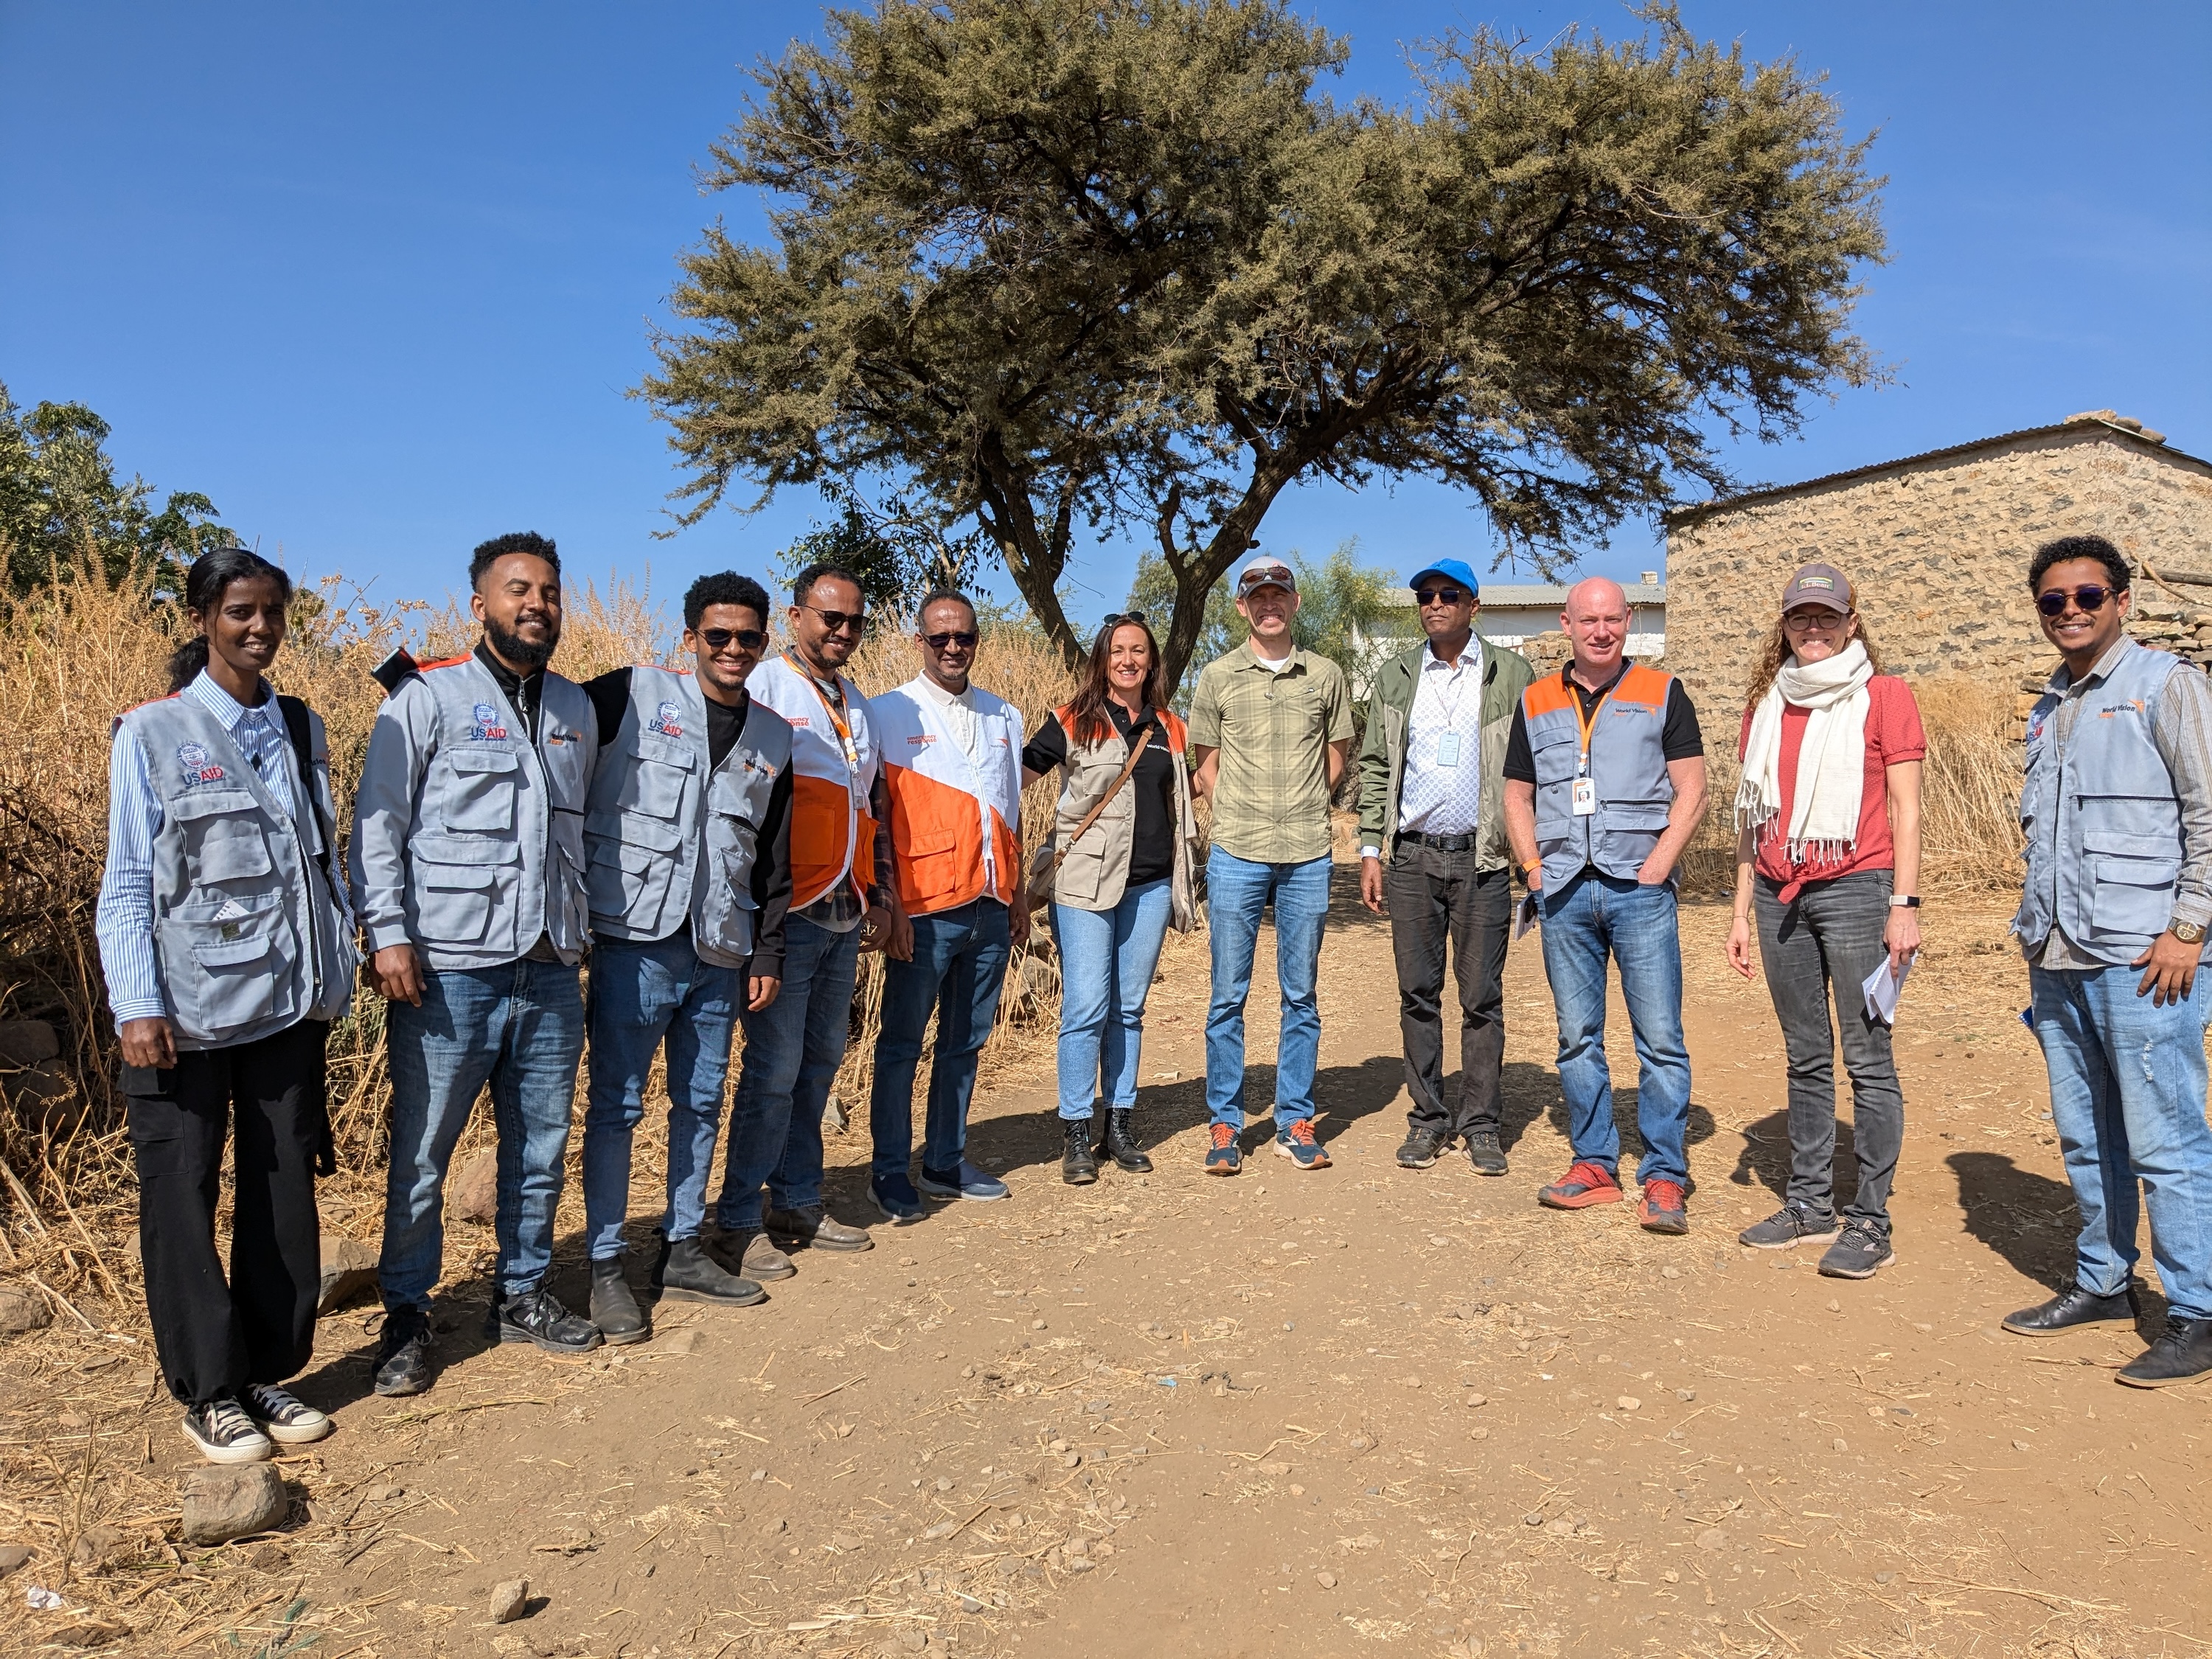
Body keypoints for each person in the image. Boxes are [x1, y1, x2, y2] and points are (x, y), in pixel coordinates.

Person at [95, 547, 356, 1462]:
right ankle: (208, 1389)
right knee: (182, 1195)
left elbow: (319, 864)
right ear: (205, 617)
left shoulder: (298, 724)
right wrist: (136, 1004)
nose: (259, 629)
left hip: (283, 1004)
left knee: (282, 1188)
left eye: (273, 613)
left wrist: (336, 971)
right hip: (183, 1015)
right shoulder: (154, 733)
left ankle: (265, 1372)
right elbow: (128, 883)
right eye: (241, 611)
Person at [352, 532, 600, 1395]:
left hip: (548, 965)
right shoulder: (424, 699)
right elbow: (378, 826)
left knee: (540, 1147)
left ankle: (523, 1291)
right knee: (423, 1152)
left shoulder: (575, 710)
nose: (537, 606)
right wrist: (387, 936)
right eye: (518, 591)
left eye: (550, 594)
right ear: (479, 606)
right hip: (449, 968)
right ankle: (408, 1315)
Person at [2004, 534, 2212, 1388]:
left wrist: (2190, 928)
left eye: (2087, 596)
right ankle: (2102, 1281)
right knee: (2089, 1136)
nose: (2071, 612)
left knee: (2165, 1141)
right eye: (2054, 601)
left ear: (2122, 600)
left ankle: (2198, 1312)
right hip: (2058, 953)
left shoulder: (2167, 685)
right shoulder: (2050, 704)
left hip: (2144, 957)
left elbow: (2209, 814)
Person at [575, 573, 795, 1340]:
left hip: (722, 947)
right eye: (718, 636)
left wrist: (765, 950)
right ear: (690, 639)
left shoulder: (774, 735)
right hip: (634, 939)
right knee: (617, 1107)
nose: (732, 649)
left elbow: (772, 856)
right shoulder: (626, 696)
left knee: (701, 1101)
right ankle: (604, 1266)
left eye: (747, 639)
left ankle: (681, 1249)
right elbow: (541, 728)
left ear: (764, 645)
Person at [1724, 564, 1924, 1279]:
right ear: (1783, 627)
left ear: (1852, 622)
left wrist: (1904, 906)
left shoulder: (1885, 697)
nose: (1814, 629)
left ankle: (1870, 1220)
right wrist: (1741, 908)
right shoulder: (1767, 706)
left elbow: (1906, 808)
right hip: (1782, 896)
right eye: (1801, 618)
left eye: (1827, 617)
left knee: (1868, 1059)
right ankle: (1810, 1204)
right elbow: (1753, 819)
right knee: (1805, 1055)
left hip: (1860, 890)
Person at [1502, 577, 1708, 1233]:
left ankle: (1664, 1175)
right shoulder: (1534, 700)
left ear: (1629, 622)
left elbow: (1694, 791)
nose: (1600, 631)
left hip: (1638, 892)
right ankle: (1594, 1162)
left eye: (1612, 620)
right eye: (1587, 620)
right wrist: (1533, 870)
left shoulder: (1662, 692)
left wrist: (1660, 864)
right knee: (1576, 1040)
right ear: (1566, 624)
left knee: (1661, 1041)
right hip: (1562, 889)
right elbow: (1516, 795)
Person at [713, 563, 892, 1265]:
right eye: (830, 618)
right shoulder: (765, 687)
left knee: (819, 1063)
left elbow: (866, 808)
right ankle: (735, 1217)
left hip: (844, 909)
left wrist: (876, 892)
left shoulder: (857, 702)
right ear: (796, 619)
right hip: (788, 915)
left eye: (855, 622)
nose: (843, 631)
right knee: (773, 1069)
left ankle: (796, 1200)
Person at [1357, 560, 1535, 1178]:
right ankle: (1429, 1120)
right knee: (1418, 993)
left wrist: (1532, 853)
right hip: (1411, 856)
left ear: (1473, 605)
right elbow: (1377, 766)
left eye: (1447, 595)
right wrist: (1371, 849)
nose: (1434, 604)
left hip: (1482, 856)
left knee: (1482, 997)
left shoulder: (1510, 674)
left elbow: (1532, 767)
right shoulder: (1397, 676)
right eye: (1425, 596)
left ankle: (1482, 1122)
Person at [1189, 556, 1354, 1174]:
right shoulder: (1217, 677)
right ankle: (1225, 1123)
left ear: (1295, 601)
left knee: (1300, 994)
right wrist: (1241, 811)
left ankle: (1294, 1120)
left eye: (1278, 594)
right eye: (1257, 596)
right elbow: (1206, 766)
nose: (1268, 605)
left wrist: (1305, 807)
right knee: (1227, 995)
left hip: (1308, 853)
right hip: (1237, 851)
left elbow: (1336, 756)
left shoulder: (1326, 676)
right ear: (1241, 606)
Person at [866, 591, 1029, 1220]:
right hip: (924, 911)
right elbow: (877, 818)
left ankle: (943, 1158)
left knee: (965, 1042)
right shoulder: (886, 713)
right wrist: (891, 904)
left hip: (989, 907)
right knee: (902, 1043)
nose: (953, 648)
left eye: (963, 637)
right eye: (940, 638)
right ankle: (888, 1170)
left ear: (977, 639)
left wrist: (1014, 897)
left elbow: (1008, 814)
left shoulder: (1003, 717)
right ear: (920, 643)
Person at [1023, 613, 1202, 1184]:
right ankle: (1076, 1131)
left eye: (1139, 652)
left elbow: (1196, 787)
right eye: (1118, 650)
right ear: (1103, 659)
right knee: (1085, 1008)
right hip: (1083, 885)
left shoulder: (1171, 727)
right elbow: (1018, 775)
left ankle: (1118, 1124)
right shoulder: (1074, 720)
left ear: (1152, 662)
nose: (1128, 660)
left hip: (1149, 886)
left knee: (1128, 1009)